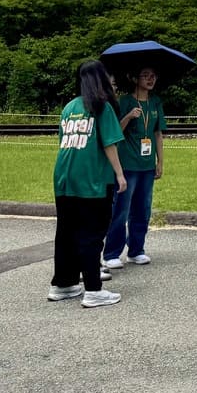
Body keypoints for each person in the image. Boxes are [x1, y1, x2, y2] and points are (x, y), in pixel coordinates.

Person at [49, 60, 128, 309]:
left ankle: (63, 284)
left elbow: (65, 141)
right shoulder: (103, 108)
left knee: (66, 234)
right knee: (92, 234)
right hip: (92, 179)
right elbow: (109, 144)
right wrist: (120, 174)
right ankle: (93, 289)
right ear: (101, 79)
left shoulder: (69, 107)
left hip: (64, 178)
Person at [101, 66, 166, 271]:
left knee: (143, 209)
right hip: (128, 164)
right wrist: (128, 117)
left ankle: (136, 250)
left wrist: (160, 161)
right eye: (145, 75)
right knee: (121, 209)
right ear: (135, 78)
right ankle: (111, 253)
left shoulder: (155, 102)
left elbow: (158, 135)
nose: (150, 79)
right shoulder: (124, 102)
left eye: (153, 76)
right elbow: (114, 132)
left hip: (147, 166)